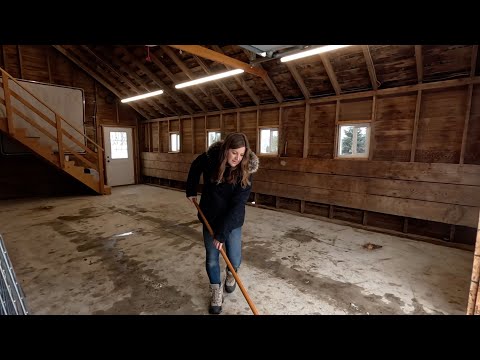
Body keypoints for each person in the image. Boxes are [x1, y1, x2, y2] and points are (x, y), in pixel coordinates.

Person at [186, 132, 259, 314]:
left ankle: (230, 274)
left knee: (234, 258)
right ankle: (216, 290)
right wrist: (191, 190)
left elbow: (237, 206)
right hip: (210, 215)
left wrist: (222, 234)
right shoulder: (211, 159)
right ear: (226, 149)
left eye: (242, 154)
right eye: (234, 152)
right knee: (212, 258)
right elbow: (195, 166)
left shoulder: (246, 172)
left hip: (232, 220)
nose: (238, 158)